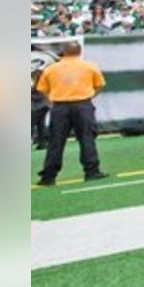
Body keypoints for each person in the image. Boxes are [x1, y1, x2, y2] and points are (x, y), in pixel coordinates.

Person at [35, 41, 108, 186]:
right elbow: (100, 85)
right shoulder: (89, 66)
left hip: (60, 107)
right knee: (87, 138)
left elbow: (41, 88)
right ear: (80, 52)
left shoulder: (52, 69)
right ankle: (92, 171)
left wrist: (50, 101)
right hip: (83, 105)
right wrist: (89, 97)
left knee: (56, 142)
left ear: (63, 52)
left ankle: (48, 176)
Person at [31, 69, 49, 150]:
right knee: (41, 124)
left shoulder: (34, 84)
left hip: (35, 107)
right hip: (44, 105)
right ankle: (43, 143)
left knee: (31, 124)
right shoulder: (43, 83)